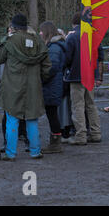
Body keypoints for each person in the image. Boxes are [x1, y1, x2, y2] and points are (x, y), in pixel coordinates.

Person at [0, 13, 52, 161]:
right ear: (26, 26)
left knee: (12, 119)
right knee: (32, 119)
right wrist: (42, 80)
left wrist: (6, 37)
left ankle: (10, 153)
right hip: (33, 86)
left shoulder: (10, 40)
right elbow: (47, 66)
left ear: (13, 27)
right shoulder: (38, 41)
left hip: (12, 86)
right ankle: (35, 151)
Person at [64, 11, 102, 145]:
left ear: (74, 23)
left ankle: (81, 135)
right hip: (90, 75)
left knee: (78, 106)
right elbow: (98, 56)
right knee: (91, 105)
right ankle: (96, 133)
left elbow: (66, 58)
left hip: (75, 76)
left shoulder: (72, 37)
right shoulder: (93, 34)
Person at [39, 21, 66, 154]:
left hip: (51, 85)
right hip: (53, 85)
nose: (40, 33)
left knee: (52, 114)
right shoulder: (54, 46)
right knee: (52, 114)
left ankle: (55, 143)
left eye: (42, 31)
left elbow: (51, 68)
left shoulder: (54, 48)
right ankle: (55, 141)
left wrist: (42, 78)